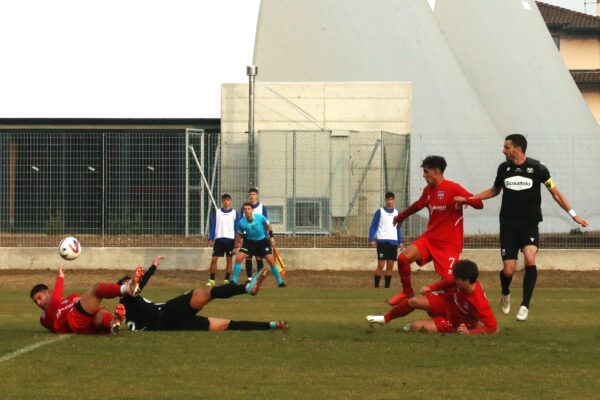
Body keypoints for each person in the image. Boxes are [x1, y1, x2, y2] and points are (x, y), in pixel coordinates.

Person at [469, 134, 589, 321]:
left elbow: (555, 193)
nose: (503, 150)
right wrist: (471, 198)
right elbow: (494, 191)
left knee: (530, 259)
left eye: (506, 147)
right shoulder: (504, 168)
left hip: (529, 224)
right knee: (509, 270)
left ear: (517, 148)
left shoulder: (538, 169)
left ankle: (525, 305)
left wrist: (573, 215)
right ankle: (505, 292)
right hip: (508, 224)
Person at [387, 155, 483, 306]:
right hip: (430, 239)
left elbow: (479, 203)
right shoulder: (428, 190)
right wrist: (401, 216)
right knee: (403, 259)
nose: (424, 175)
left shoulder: (453, 188)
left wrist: (466, 200)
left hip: (449, 245)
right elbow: (418, 205)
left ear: (436, 171)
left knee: (450, 284)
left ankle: (461, 311)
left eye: (426, 172)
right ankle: (407, 291)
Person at [117, 256, 288, 331]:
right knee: (201, 293)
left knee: (224, 325)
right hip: (167, 313)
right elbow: (137, 286)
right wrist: (153, 267)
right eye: (128, 282)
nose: (132, 283)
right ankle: (245, 288)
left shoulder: (123, 310)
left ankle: (271, 325)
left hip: (171, 325)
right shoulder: (126, 297)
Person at [366, 259, 497, 334]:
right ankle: (385, 318)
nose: (454, 280)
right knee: (413, 301)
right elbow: (448, 282)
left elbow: (492, 326)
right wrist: (431, 288)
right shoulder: (462, 282)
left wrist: (470, 333)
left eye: (457, 279)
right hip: (447, 302)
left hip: (456, 322)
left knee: (416, 327)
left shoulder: (479, 302)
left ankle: (410, 326)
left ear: (466, 281)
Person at [30, 265, 142, 334]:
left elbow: (81, 301)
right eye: (35, 302)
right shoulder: (44, 318)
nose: (38, 303)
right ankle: (128, 289)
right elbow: (55, 302)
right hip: (74, 320)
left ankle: (113, 324)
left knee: (100, 314)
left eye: (39, 298)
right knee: (97, 289)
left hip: (86, 324)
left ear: (48, 292)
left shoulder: (70, 298)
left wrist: (79, 300)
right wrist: (60, 277)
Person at [232, 202, 286, 287]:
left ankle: (280, 282)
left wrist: (271, 237)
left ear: (252, 210)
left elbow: (268, 225)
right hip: (249, 243)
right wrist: (236, 246)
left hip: (262, 242)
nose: (247, 211)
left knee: (270, 260)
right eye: (245, 209)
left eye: (248, 209)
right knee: (238, 258)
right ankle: (233, 282)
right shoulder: (241, 222)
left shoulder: (260, 217)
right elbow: (239, 234)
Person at [368, 191, 403, 288]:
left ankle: (387, 287)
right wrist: (372, 239)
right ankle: (376, 286)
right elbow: (373, 226)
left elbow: (398, 228)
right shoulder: (380, 212)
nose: (389, 201)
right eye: (388, 199)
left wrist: (400, 241)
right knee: (381, 264)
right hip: (382, 242)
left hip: (393, 242)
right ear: (385, 200)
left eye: (391, 199)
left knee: (391, 265)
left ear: (394, 200)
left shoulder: (396, 213)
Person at [206, 193, 240, 286]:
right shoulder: (217, 212)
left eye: (228, 200)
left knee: (229, 260)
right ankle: (212, 280)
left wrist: (237, 242)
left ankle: (226, 279)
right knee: (214, 260)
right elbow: (213, 225)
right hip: (219, 240)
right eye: (224, 200)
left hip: (230, 240)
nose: (226, 202)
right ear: (222, 201)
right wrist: (211, 238)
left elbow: (237, 228)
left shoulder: (235, 213)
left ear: (230, 201)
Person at [242, 187, 269, 281]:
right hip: (248, 237)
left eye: (254, 194)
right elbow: (243, 223)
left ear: (257, 196)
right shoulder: (245, 208)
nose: (252, 196)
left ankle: (258, 276)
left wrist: (267, 235)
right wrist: (242, 236)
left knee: (258, 257)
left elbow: (266, 222)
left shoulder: (262, 207)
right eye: (250, 195)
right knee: (248, 257)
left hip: (259, 237)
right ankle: (249, 278)